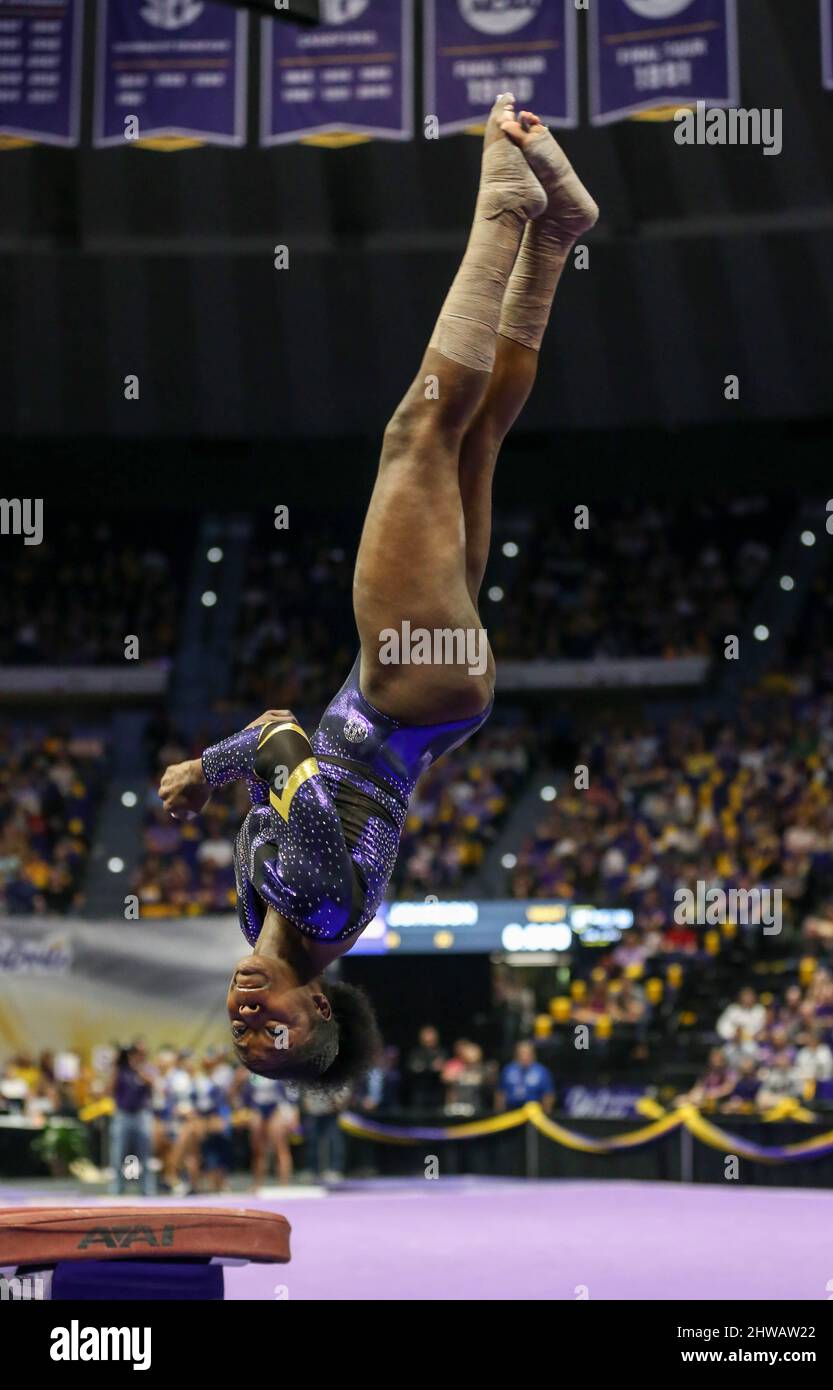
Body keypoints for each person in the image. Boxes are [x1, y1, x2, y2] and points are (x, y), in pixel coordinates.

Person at [157, 95, 598, 1094]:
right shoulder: (316, 905)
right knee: (418, 433)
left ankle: (555, 231)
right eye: (272, 1032)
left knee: (474, 436)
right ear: (316, 1004)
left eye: (240, 1038)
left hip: (424, 700)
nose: (245, 1018)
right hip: (405, 680)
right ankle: (501, 198)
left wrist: (226, 771)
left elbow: (292, 752)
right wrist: (203, 769)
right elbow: (279, 737)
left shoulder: (257, 916)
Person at [109, 1043, 156, 1197]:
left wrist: (138, 1069)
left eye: (138, 1053)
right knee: (118, 1153)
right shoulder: (120, 1071)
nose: (135, 1057)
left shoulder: (146, 1068)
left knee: (144, 1153)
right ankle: (117, 1188)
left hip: (141, 1115)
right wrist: (116, 1066)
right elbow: (109, 1090)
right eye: (132, 1054)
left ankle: (147, 1188)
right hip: (123, 1115)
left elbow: (153, 1084)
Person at [496, 1041, 555, 1114]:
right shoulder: (508, 1070)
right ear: (516, 1054)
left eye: (527, 1053)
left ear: (533, 1055)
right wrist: (499, 1113)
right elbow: (500, 1093)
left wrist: (546, 1115)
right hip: (511, 1112)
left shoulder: (542, 1071)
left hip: (534, 1114)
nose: (524, 1056)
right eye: (521, 1053)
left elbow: (548, 1095)